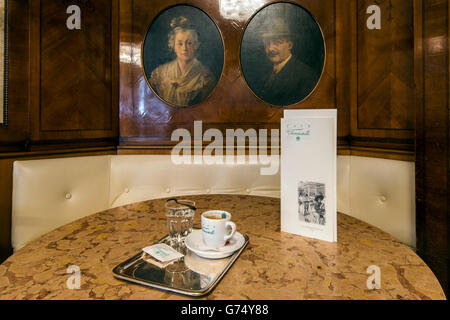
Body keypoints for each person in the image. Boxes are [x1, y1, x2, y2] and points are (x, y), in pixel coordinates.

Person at [149, 16, 216, 107]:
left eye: (189, 43)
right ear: (173, 46)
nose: (184, 48)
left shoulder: (205, 78)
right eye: (180, 44)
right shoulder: (160, 73)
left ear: (196, 45)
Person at [256, 18, 319, 106]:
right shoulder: (264, 72)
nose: (270, 48)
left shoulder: (307, 76)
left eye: (276, 43)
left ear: (289, 45)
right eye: (267, 43)